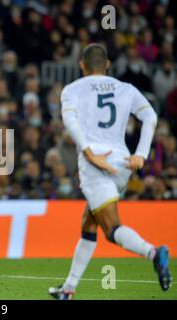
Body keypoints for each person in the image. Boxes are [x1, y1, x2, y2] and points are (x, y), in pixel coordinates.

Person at [48, 44, 171, 300]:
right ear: (107, 65)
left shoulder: (73, 90)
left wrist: (89, 152)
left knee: (112, 229)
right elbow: (150, 117)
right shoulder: (126, 88)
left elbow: (70, 122)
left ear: (82, 65)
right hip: (123, 162)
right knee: (89, 222)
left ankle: (153, 252)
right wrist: (141, 154)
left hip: (96, 162)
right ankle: (68, 289)